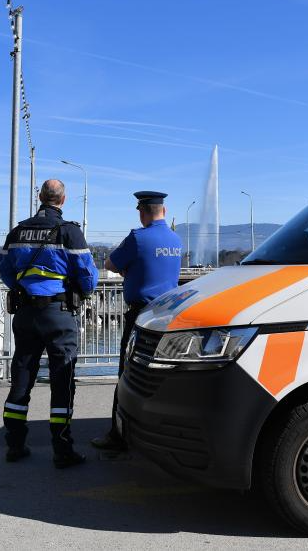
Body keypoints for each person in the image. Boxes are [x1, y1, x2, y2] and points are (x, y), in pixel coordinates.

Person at [0, 179, 98, 468]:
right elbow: (88, 277)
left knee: (22, 376)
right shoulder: (69, 232)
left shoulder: (18, 231)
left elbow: (5, 271)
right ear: (63, 200)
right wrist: (81, 292)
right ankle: (62, 449)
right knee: (62, 380)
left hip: (26, 314)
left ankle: (15, 444)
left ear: (40, 197)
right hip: (58, 313)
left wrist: (24, 288)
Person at [91, 191, 183, 451]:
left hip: (141, 317)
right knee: (160, 377)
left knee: (128, 374)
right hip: (168, 317)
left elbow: (110, 263)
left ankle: (117, 435)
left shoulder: (138, 237)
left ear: (142, 212)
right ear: (164, 211)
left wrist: (127, 269)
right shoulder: (176, 240)